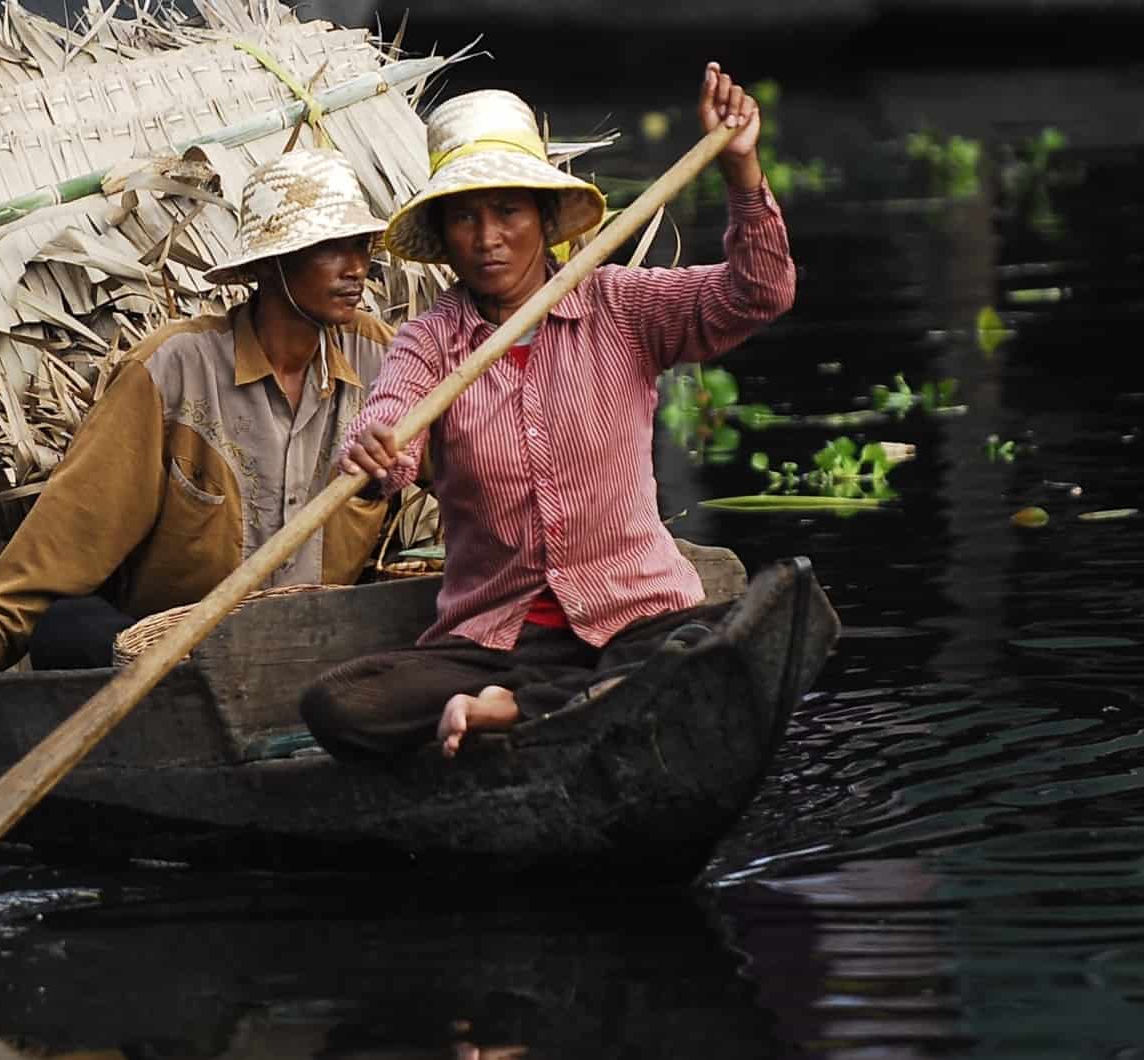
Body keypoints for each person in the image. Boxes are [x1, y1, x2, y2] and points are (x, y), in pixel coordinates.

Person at [299, 64, 796, 758]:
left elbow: (758, 294)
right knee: (341, 703)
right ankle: (540, 700)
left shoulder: (619, 307)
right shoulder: (431, 341)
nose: (488, 237)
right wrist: (377, 448)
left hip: (637, 621)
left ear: (542, 218)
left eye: (508, 211)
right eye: (465, 216)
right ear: (443, 235)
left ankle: (523, 711)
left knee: (695, 648)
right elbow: (390, 422)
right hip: (497, 644)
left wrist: (742, 172)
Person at [0, 149, 398, 704]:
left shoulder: (385, 362)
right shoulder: (175, 369)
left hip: (321, 649)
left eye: (360, 248)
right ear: (269, 264)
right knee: (67, 626)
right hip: (179, 659)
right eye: (331, 249)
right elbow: (77, 522)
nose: (355, 269)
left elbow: (466, 470)